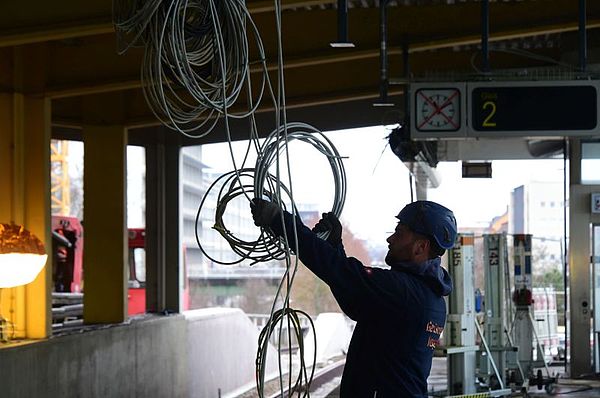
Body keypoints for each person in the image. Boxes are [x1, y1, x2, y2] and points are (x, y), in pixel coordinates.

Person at [250, 199, 456, 397]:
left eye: (399, 233)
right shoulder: (431, 297)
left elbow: (338, 270)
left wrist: (278, 220)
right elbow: (356, 303)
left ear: (421, 247)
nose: (390, 239)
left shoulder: (402, 291)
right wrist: (335, 246)